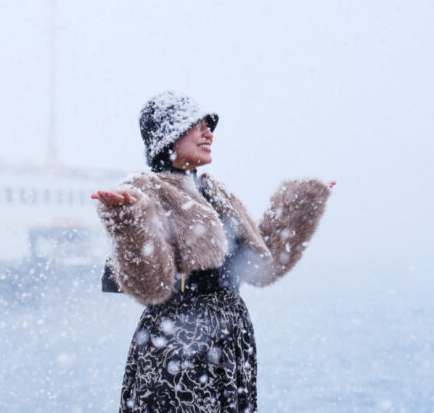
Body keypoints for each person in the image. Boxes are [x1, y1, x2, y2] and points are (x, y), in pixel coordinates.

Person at [92, 91, 334, 412]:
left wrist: (301, 205)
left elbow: (261, 266)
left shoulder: (214, 191)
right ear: (170, 134)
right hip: (177, 340)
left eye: (210, 125)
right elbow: (149, 283)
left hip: (230, 337)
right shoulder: (146, 190)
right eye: (197, 125)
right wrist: (130, 223)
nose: (209, 133)